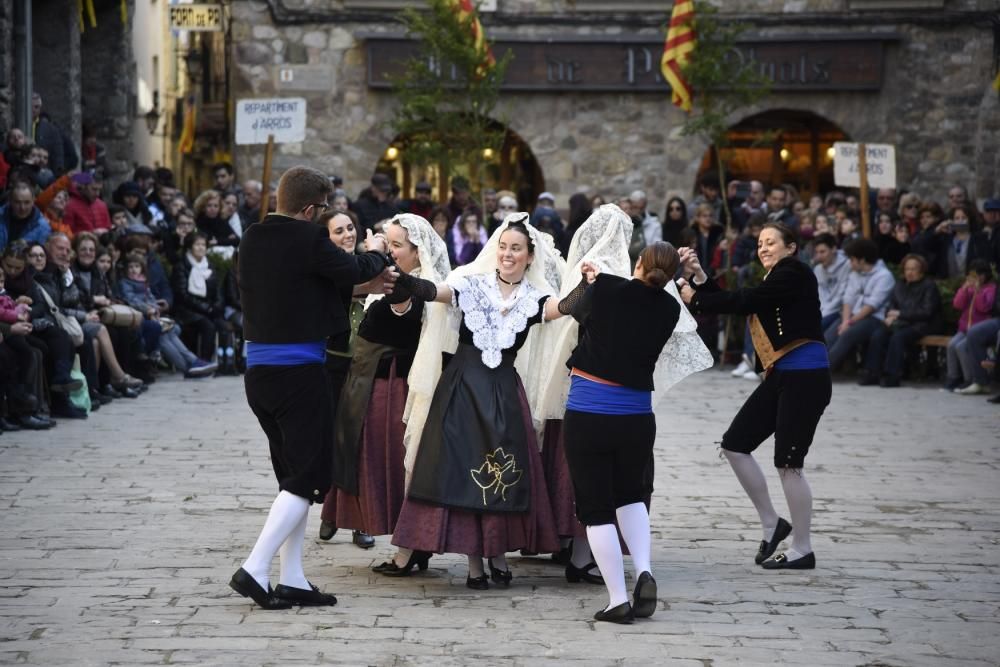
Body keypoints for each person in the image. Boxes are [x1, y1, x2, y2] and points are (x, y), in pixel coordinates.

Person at [229, 165, 393, 610]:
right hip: (299, 375)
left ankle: (294, 577)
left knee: (291, 479)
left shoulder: (252, 237)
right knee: (306, 477)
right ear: (309, 209)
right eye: (322, 210)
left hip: (259, 374)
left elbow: (309, 288)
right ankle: (255, 568)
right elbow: (353, 266)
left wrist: (357, 285)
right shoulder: (307, 240)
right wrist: (377, 250)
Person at [383, 216, 572, 588]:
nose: (507, 254)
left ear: (530, 257)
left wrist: (593, 283)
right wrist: (401, 279)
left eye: (516, 248)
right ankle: (474, 564)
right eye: (503, 246)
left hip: (503, 392)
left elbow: (564, 309)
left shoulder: (534, 299)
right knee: (465, 472)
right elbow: (434, 291)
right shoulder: (470, 285)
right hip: (462, 391)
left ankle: (497, 555)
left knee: (500, 474)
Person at [680, 223, 832, 571]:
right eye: (760, 243)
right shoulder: (774, 278)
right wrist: (701, 277)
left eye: (771, 242)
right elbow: (744, 299)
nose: (763, 248)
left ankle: (803, 549)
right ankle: (772, 523)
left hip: (806, 378)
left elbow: (745, 300)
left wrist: (697, 297)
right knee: (735, 444)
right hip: (782, 375)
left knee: (789, 462)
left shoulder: (794, 272)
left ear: (791, 247)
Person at [558, 242, 684, 623]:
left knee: (596, 509)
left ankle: (617, 599)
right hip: (637, 416)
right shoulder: (670, 308)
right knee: (631, 496)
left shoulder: (608, 287)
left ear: (639, 262)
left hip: (590, 410)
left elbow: (572, 310)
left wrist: (590, 281)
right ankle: (644, 570)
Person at [324, 214, 451, 572]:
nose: (390, 251)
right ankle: (413, 545)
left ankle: (408, 548)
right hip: (370, 385)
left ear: (417, 251)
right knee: (383, 465)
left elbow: (402, 304)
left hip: (391, 389)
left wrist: (379, 259)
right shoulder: (391, 280)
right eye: (388, 242)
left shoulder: (411, 286)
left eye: (397, 246)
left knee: (394, 467)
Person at [316, 210, 377, 549]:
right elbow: (344, 289)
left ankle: (360, 521)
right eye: (338, 231)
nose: (347, 235)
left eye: (350, 228)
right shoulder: (325, 271)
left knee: (361, 445)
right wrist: (365, 286)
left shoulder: (373, 266)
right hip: (333, 367)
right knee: (333, 442)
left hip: (368, 368)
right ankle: (330, 510)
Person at [860, 254, 941, 387]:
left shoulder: (929, 286)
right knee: (878, 334)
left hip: (923, 324)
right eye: (907, 269)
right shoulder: (900, 285)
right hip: (902, 323)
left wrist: (900, 314)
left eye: (914, 269)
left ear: (921, 270)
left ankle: (892, 375)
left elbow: (927, 312)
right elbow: (891, 307)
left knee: (898, 337)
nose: (910, 272)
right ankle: (872, 373)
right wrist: (890, 317)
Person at [824, 239, 895, 372]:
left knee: (847, 335)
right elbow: (848, 299)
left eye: (852, 259)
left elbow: (872, 305)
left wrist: (849, 323)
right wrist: (845, 321)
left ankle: (821, 372)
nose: (850, 263)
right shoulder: (855, 274)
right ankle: (809, 367)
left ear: (862, 260)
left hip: (873, 318)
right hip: (851, 317)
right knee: (829, 335)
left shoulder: (884, 276)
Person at [945, 260, 997, 394]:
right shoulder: (968, 289)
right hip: (964, 328)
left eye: (977, 275)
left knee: (961, 347)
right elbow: (957, 304)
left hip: (977, 328)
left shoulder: (990, 289)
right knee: (951, 345)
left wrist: (978, 291)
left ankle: (970, 379)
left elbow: (985, 307)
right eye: (971, 275)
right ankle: (953, 377)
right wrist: (963, 289)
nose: (973, 279)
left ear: (984, 276)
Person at [811, 233, 851, 332]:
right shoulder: (818, 269)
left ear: (833, 249)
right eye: (817, 252)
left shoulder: (847, 265)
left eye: (822, 252)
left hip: (840, 311)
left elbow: (842, 295)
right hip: (823, 311)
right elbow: (820, 295)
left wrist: (824, 313)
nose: (819, 256)